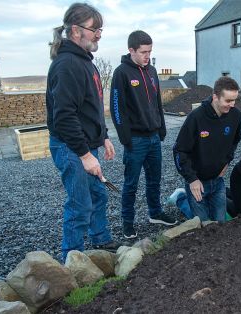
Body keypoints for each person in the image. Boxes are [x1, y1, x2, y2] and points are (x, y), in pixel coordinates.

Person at [46, 2, 119, 261]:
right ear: (76, 30)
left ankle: (101, 241)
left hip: (86, 144)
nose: (99, 33)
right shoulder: (67, 65)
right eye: (94, 28)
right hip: (70, 147)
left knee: (98, 194)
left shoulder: (86, 62)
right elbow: (64, 118)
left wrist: (104, 136)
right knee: (80, 204)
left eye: (101, 29)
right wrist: (85, 155)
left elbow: (92, 108)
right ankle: (72, 260)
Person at [110, 30, 176, 240]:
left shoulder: (152, 71)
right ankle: (127, 223)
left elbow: (157, 103)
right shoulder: (122, 73)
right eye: (144, 52)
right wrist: (124, 137)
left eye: (150, 51)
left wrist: (161, 127)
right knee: (131, 184)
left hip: (154, 137)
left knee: (154, 180)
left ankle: (155, 213)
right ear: (131, 50)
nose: (148, 56)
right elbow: (116, 107)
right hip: (135, 140)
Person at [173, 76, 241, 223]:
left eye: (234, 100)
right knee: (202, 224)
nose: (232, 104)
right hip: (197, 182)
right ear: (215, 97)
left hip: (218, 181)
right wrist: (191, 179)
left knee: (220, 224)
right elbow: (179, 150)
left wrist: (227, 161)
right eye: (228, 100)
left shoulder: (235, 116)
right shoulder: (196, 117)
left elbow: (235, 141)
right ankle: (180, 198)